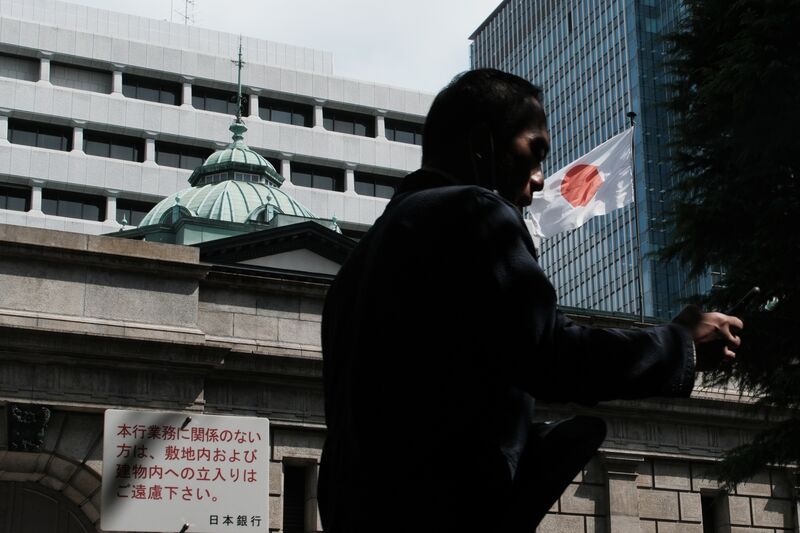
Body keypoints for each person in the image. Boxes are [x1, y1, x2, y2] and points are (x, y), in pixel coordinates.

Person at [317, 69, 742, 533]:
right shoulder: (473, 211)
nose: (539, 180)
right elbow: (549, 353)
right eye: (534, 151)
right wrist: (678, 345)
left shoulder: (355, 270)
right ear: (484, 144)